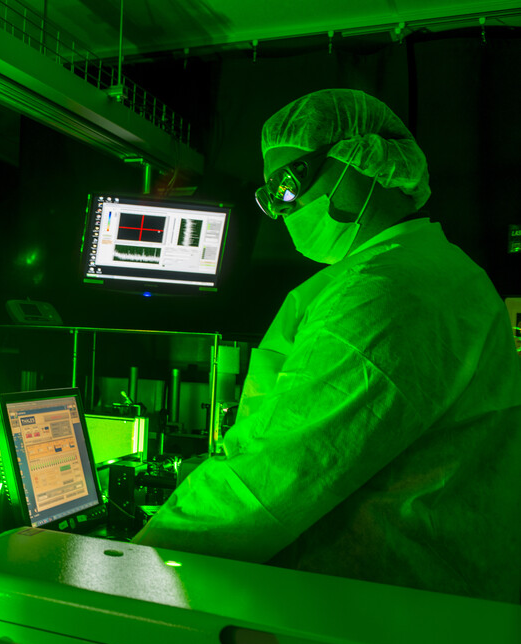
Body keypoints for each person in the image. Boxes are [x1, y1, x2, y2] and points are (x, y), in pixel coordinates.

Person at [132, 88, 521, 604]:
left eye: (290, 185)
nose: (283, 209)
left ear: (364, 158)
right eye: (272, 196)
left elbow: (275, 476)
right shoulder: (417, 271)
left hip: (391, 609)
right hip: (417, 598)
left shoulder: (387, 291)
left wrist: (126, 565)